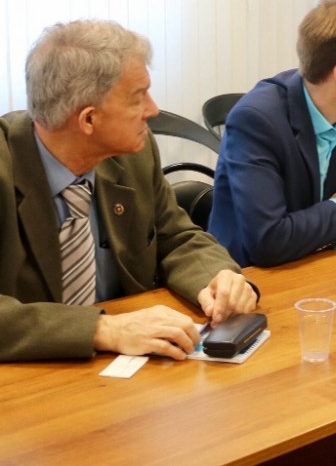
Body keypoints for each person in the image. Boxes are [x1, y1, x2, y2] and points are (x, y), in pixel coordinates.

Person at [0, 20, 259, 362]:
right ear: (88, 120)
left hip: (134, 365)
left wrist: (218, 277)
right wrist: (101, 329)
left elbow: (174, 236)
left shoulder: (132, 153)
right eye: (138, 98)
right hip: (31, 375)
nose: (153, 111)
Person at [209, 0, 336, 267]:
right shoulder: (255, 121)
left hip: (325, 265)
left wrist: (328, 234)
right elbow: (268, 241)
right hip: (252, 277)